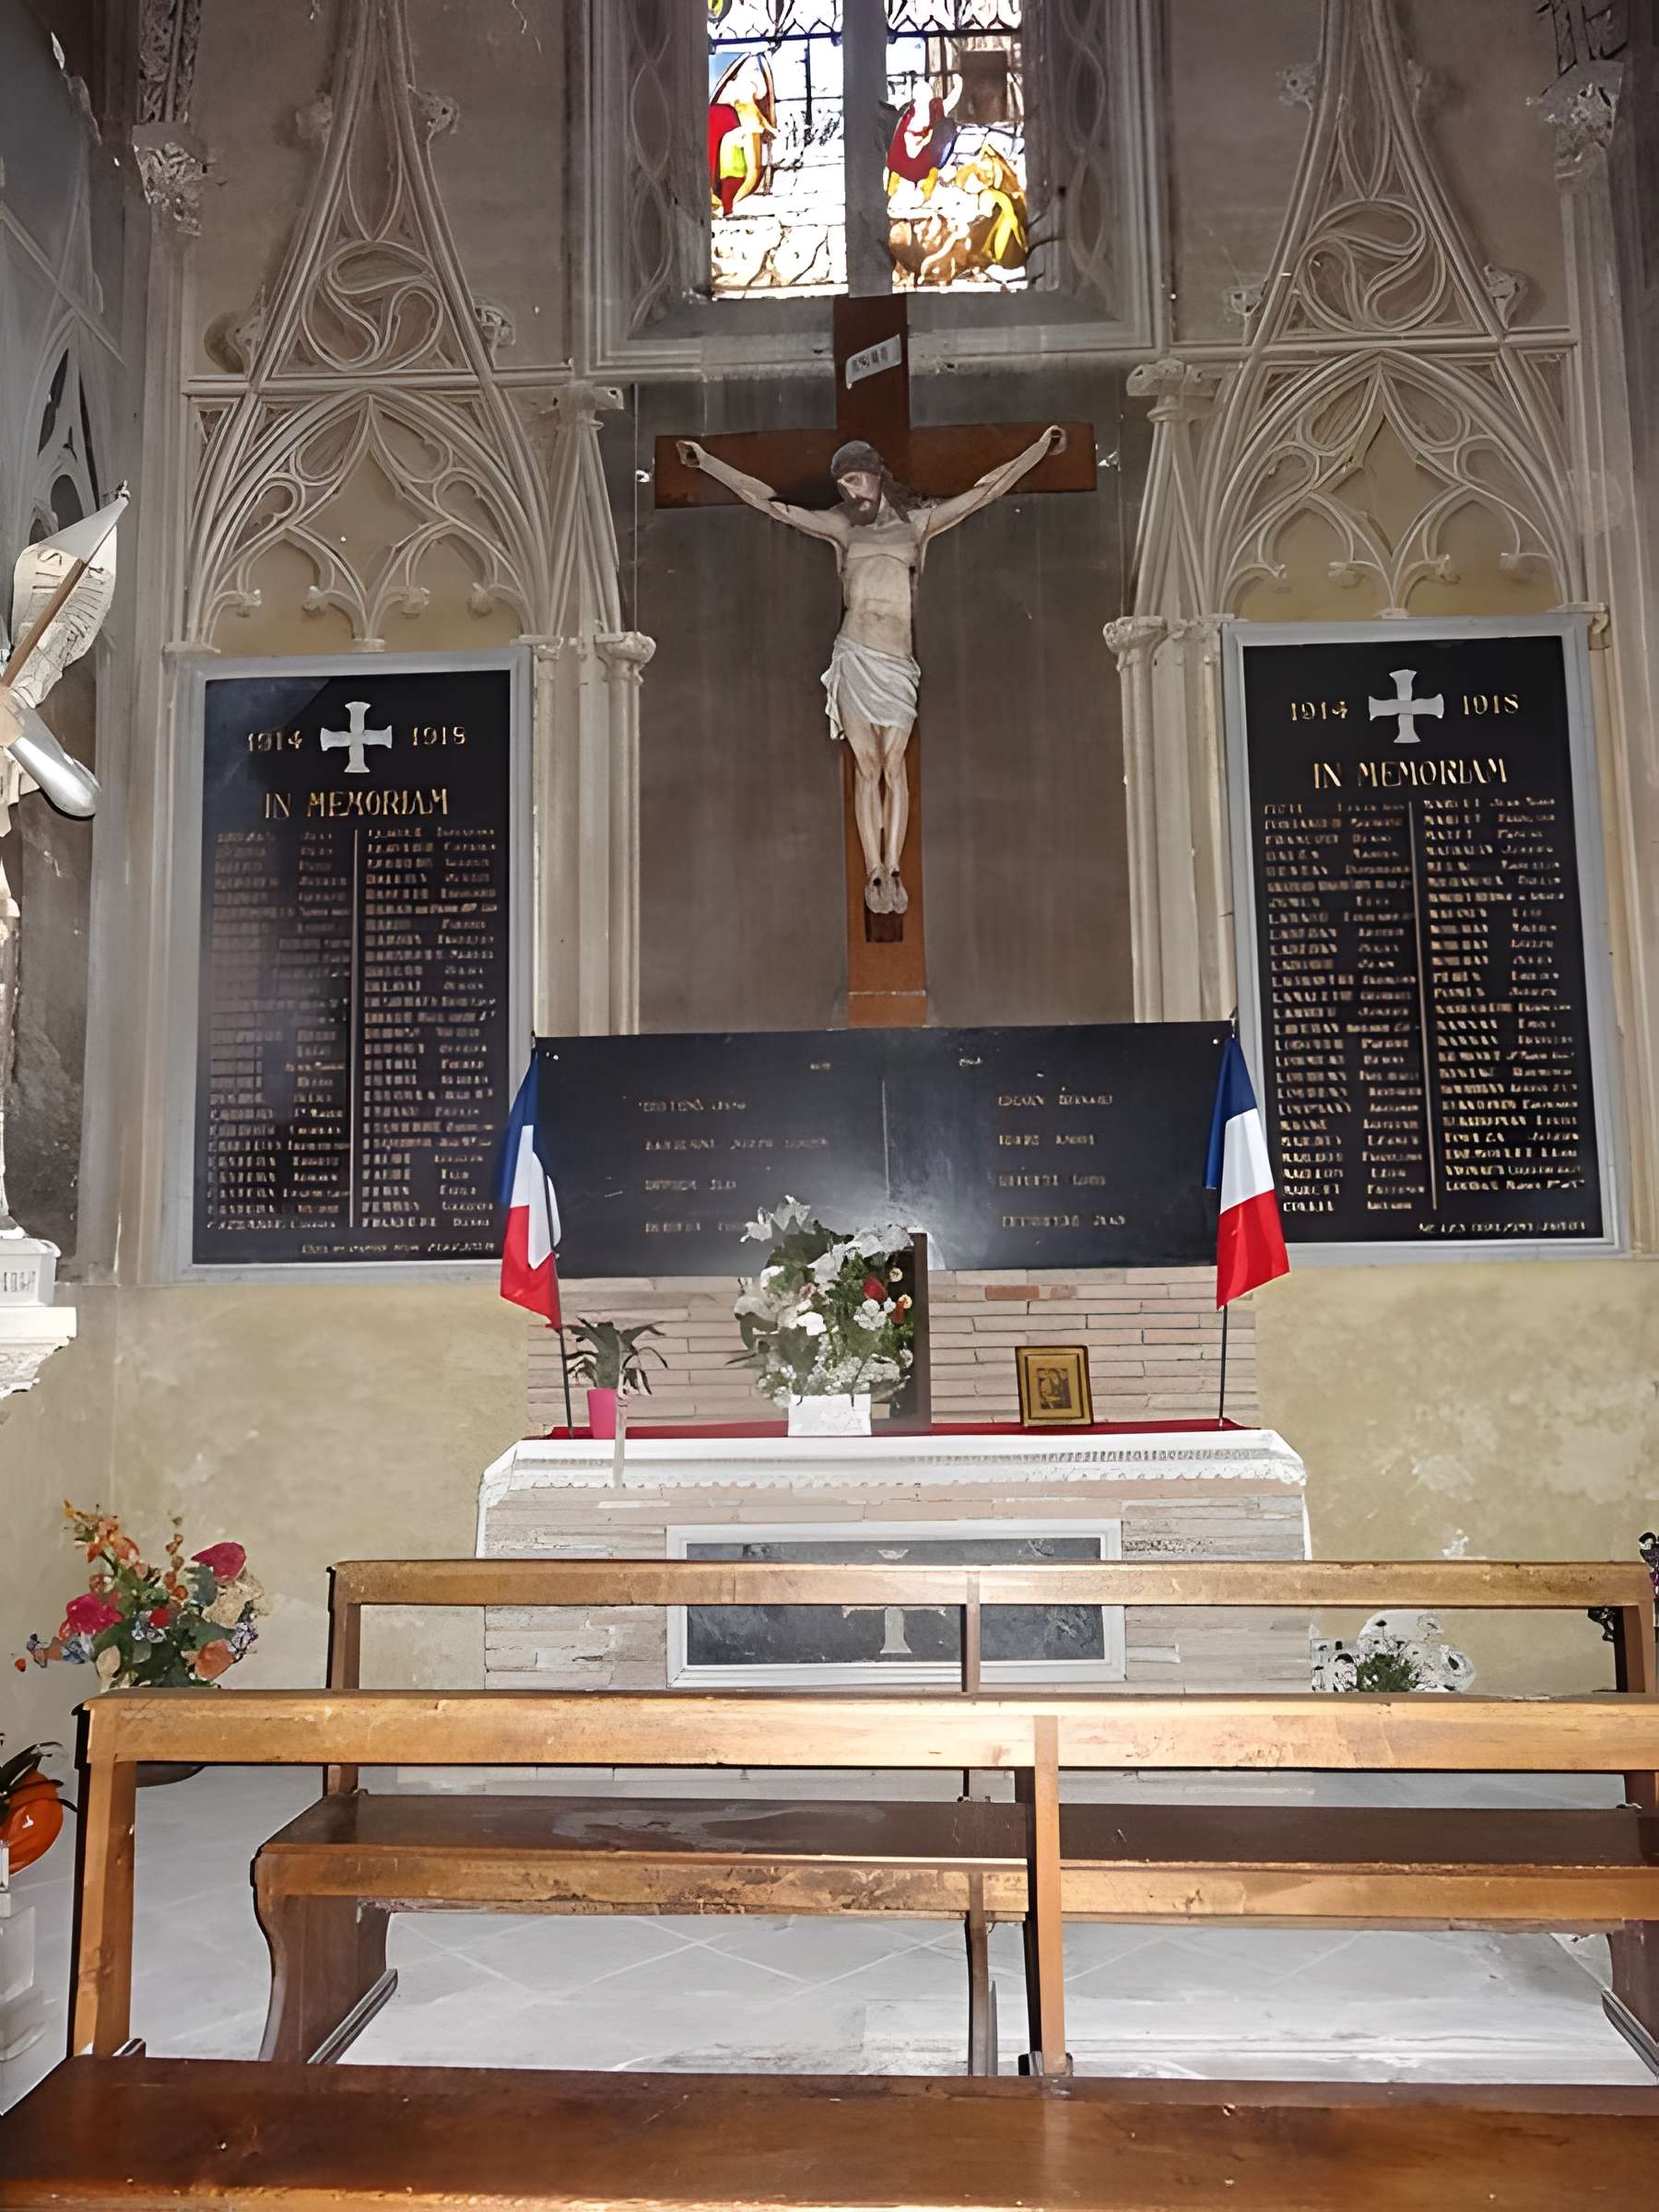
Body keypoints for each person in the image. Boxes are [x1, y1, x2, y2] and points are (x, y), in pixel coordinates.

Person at [677, 423, 1063, 914]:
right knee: (866, 768)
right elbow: (768, 504)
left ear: (879, 475)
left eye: (856, 480)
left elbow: (984, 492)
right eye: (843, 484)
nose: (849, 491)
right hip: (856, 651)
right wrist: (707, 462)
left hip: (896, 661)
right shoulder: (842, 528)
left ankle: (895, 863)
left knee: (894, 765)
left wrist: (1037, 449)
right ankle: (873, 869)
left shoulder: (918, 524)